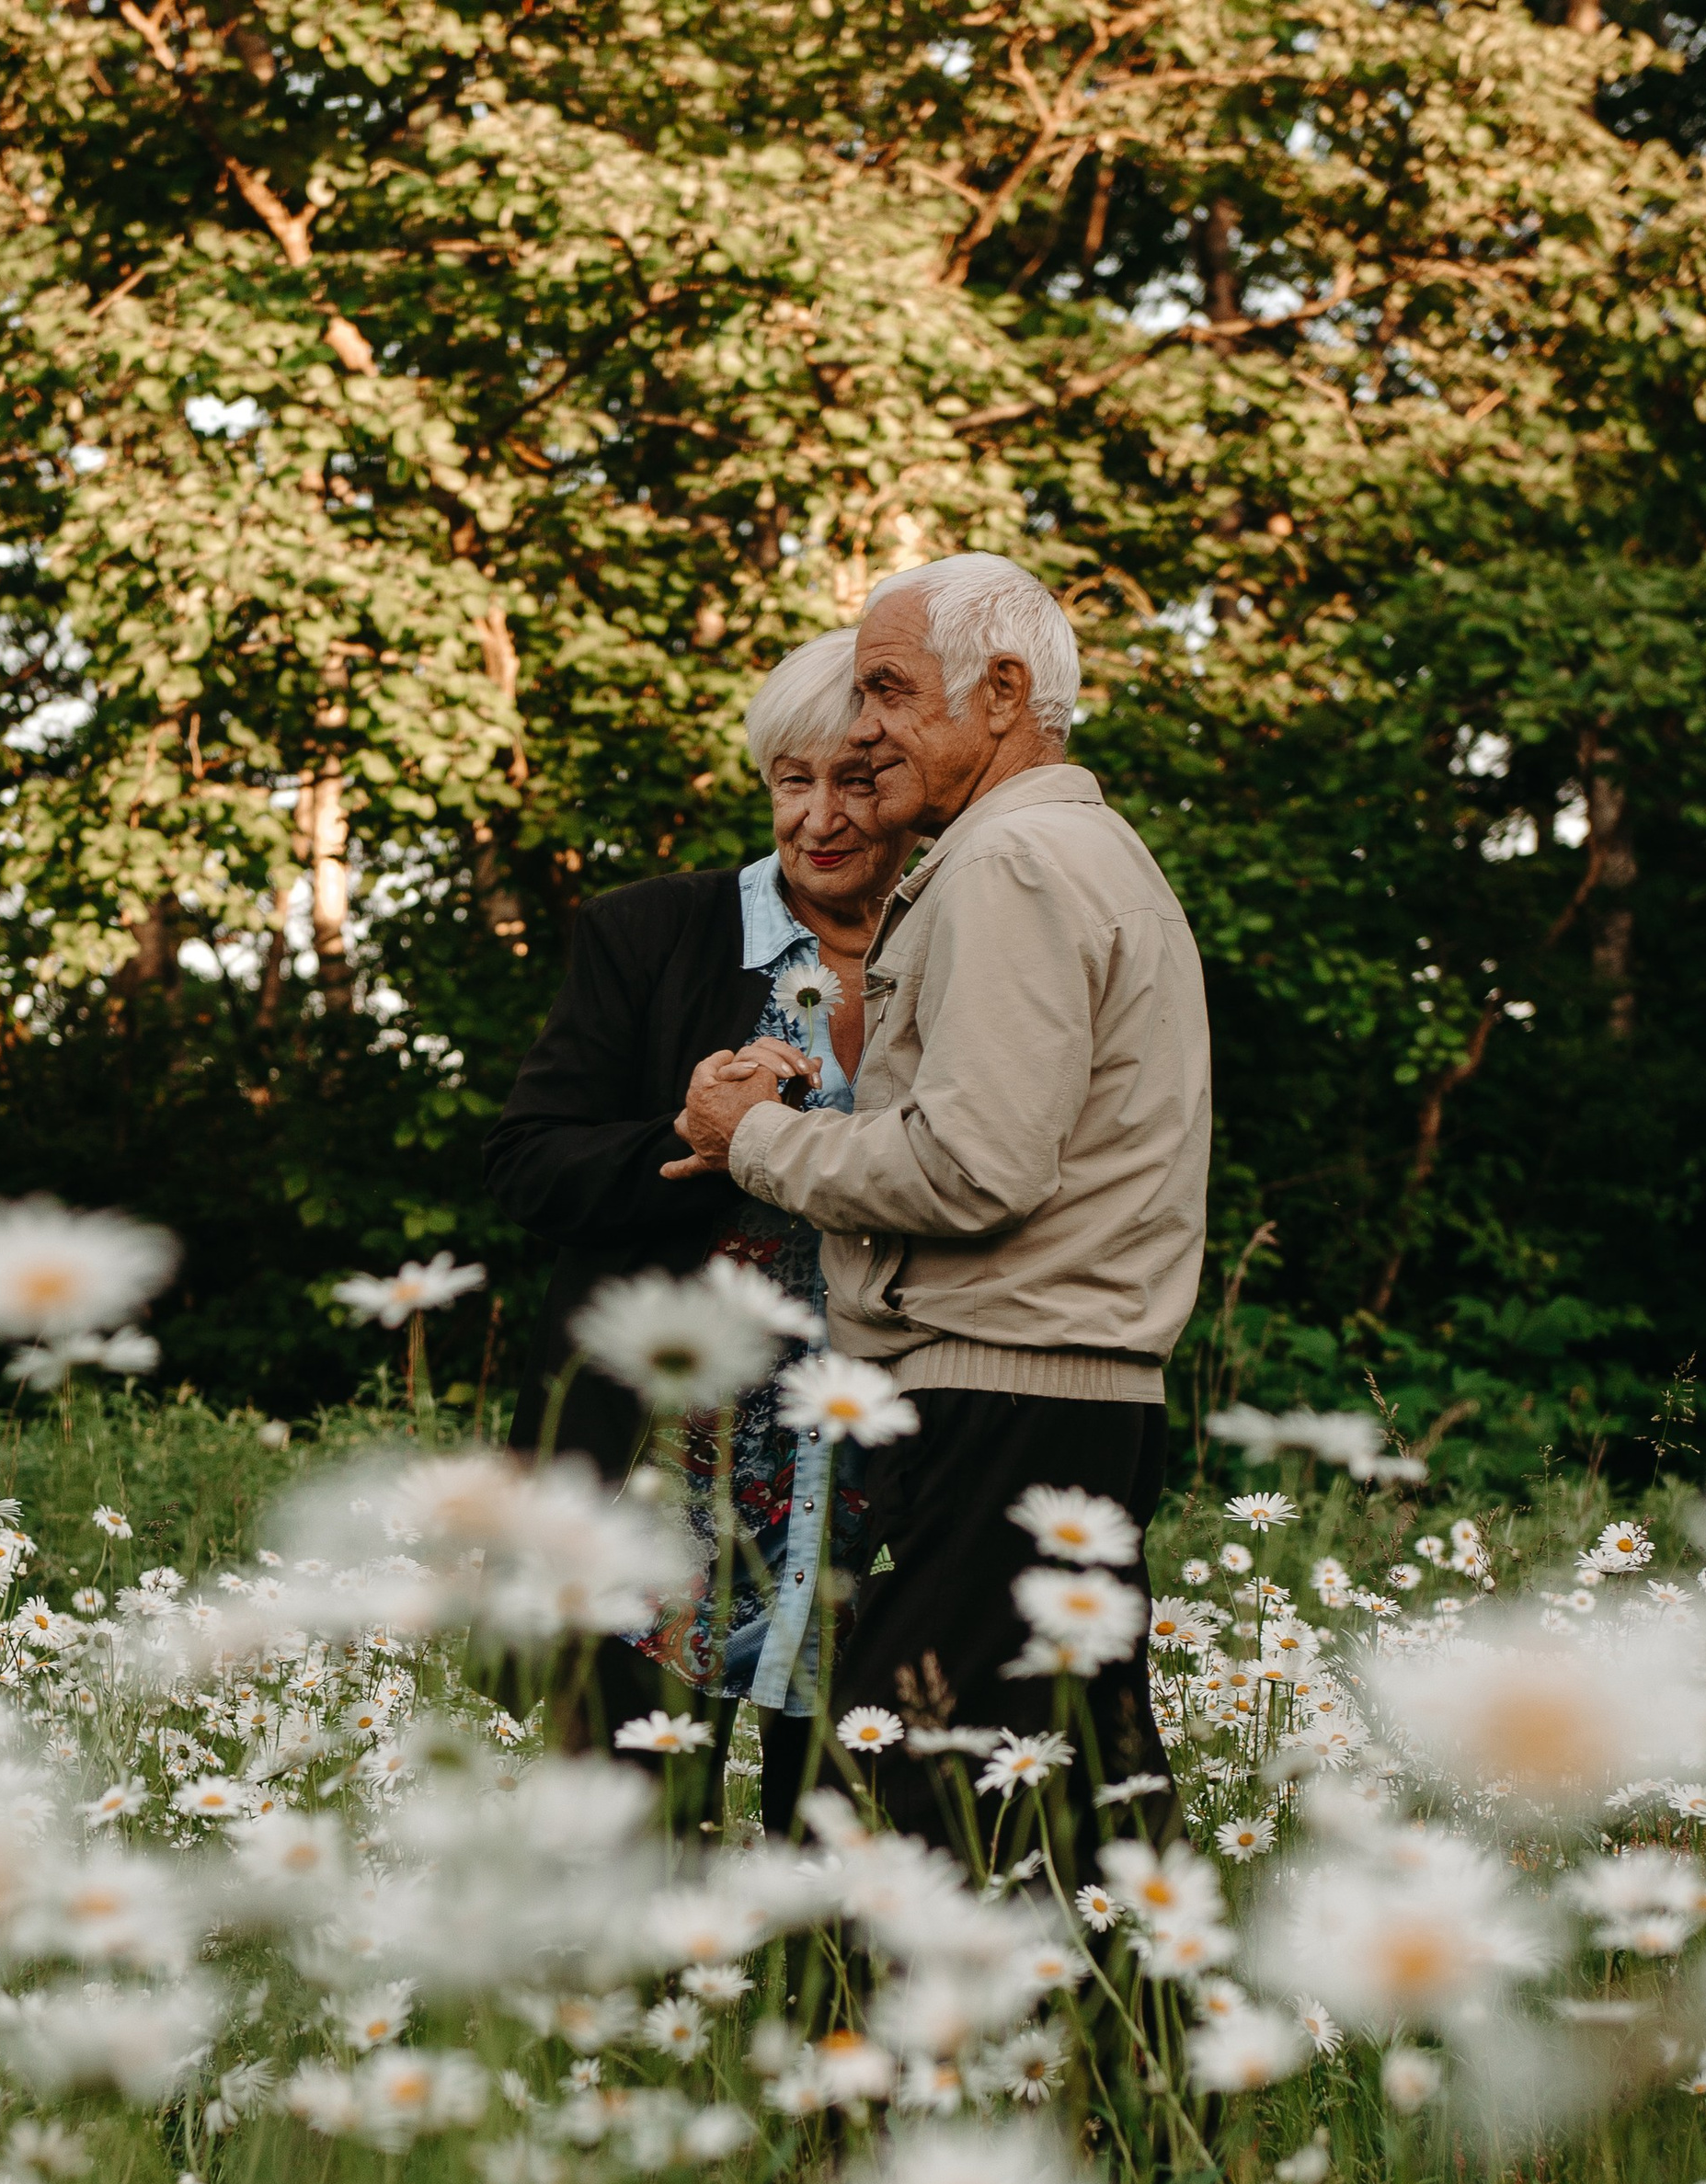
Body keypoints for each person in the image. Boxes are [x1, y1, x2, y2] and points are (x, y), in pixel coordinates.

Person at [665, 552, 1208, 1851]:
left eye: (891, 690)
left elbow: (974, 1167)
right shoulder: (1086, 851)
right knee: (1071, 1780)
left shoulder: (1011, 865)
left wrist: (759, 1137)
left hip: (1012, 1397)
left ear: (1005, 690)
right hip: (1067, 1394)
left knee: (902, 1789)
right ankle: (1128, 2045)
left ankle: (897, 2048)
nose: (861, 730)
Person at [484, 630, 905, 1775]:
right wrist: (681, 1136)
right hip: (665, 1462)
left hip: (878, 1459)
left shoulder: (965, 945)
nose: (817, 816)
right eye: (791, 780)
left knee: (841, 1833)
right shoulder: (652, 931)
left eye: (856, 781)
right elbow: (527, 1163)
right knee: (627, 1824)